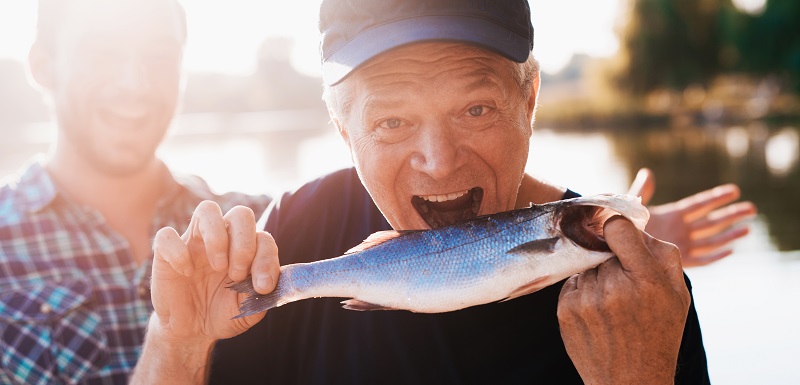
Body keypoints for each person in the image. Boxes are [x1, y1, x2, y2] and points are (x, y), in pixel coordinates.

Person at [138, 0, 757, 384]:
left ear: (529, 99)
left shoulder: (641, 293)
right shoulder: (292, 233)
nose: (439, 163)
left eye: (477, 108)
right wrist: (178, 347)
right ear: (343, 129)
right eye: (392, 122)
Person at [0, 0, 271, 383]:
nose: (136, 84)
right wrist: (178, 346)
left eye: (160, 57)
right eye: (102, 54)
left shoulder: (260, 226)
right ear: (44, 66)